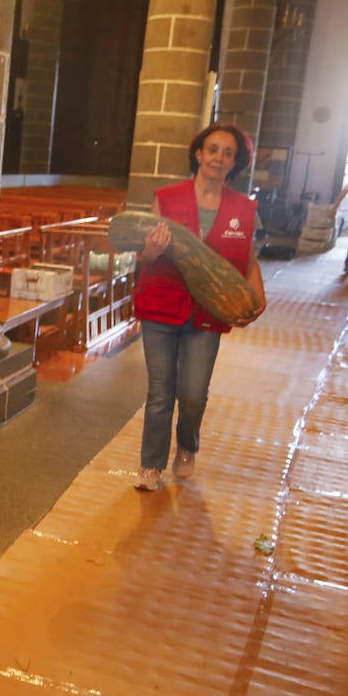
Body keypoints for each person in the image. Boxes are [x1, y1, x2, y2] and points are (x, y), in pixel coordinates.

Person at [132, 122, 267, 491]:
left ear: (234, 162)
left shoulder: (244, 208)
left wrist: (257, 293)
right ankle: (151, 465)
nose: (218, 158)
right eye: (213, 150)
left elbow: (248, 259)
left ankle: (187, 445)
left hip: (209, 310)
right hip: (161, 303)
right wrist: (152, 252)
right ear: (198, 153)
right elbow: (143, 254)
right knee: (160, 391)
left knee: (192, 393)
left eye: (227, 153)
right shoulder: (168, 197)